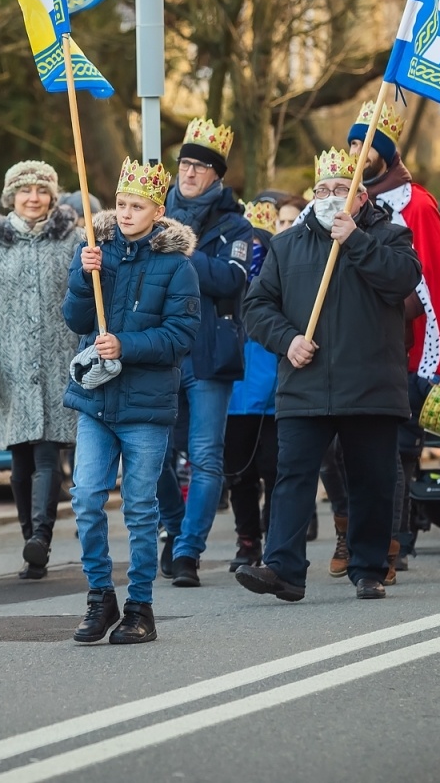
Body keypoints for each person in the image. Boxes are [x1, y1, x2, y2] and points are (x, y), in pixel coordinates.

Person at [236, 147, 422, 602]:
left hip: (370, 384)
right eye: (323, 189)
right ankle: (284, 568)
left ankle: (368, 567)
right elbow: (256, 308)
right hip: (305, 384)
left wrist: (356, 240)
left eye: (342, 189)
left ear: (361, 197)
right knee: (293, 475)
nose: (331, 196)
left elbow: (403, 280)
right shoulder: (286, 247)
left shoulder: (392, 236)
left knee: (372, 479)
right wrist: (288, 340)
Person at [64, 160, 199, 645]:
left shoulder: (178, 267)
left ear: (157, 211)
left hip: (145, 406)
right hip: (97, 399)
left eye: (136, 206)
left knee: (141, 507)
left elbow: (181, 335)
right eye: (120, 204)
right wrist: (84, 277)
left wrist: (126, 345)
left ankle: (140, 606)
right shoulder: (95, 251)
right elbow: (75, 317)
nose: (125, 213)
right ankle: (100, 596)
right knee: (85, 499)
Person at [0, 161, 81, 579]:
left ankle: (40, 537)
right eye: (24, 191)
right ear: (11, 197)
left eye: (41, 191)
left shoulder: (72, 239)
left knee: (47, 454)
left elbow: (86, 297)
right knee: (20, 461)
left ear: (52, 196)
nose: (33, 198)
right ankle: (32, 541)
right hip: (11, 367)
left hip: (59, 362)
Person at [344, 101, 440, 580]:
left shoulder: (416, 205)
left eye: (366, 145)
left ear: (385, 154)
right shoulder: (343, 199)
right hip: (353, 348)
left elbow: (435, 280)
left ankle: (392, 542)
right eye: (352, 143)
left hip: (403, 346)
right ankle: (360, 536)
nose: (356, 153)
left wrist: (432, 356)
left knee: (394, 449)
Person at [156, 119, 253, 588]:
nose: (189, 173)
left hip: (209, 357)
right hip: (160, 354)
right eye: (185, 164)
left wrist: (183, 249)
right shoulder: (153, 214)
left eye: (200, 166)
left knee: (206, 458)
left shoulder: (236, 225)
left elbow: (231, 280)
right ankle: (174, 531)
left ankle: (189, 552)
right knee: (152, 456)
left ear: (216, 175)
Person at [224, 199, 280, 571]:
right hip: (233, 396)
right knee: (238, 473)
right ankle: (248, 541)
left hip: (274, 397)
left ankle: (275, 536)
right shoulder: (229, 281)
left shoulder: (279, 284)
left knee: (276, 470)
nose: (254, 252)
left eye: (260, 246)